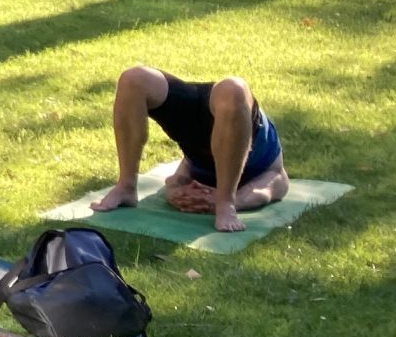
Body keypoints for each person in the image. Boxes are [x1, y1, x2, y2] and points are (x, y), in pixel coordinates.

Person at [93, 68, 287, 233]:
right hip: (233, 111)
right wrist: (176, 190)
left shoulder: (264, 171)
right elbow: (180, 175)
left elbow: (275, 184)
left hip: (217, 120)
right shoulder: (261, 165)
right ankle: (126, 186)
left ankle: (225, 203)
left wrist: (224, 201)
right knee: (132, 78)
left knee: (133, 80)